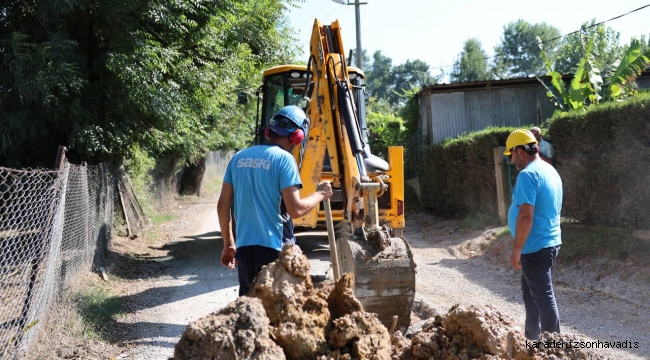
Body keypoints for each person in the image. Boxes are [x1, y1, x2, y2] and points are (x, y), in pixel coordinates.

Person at [217, 105, 333, 296]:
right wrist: (321, 193)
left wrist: (229, 244)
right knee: (279, 312)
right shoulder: (284, 160)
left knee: (249, 307)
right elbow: (295, 209)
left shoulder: (238, 158)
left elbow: (223, 205)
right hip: (275, 249)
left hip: (244, 249)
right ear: (297, 136)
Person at [504, 129, 563, 340]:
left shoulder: (528, 174)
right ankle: (532, 341)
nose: (511, 159)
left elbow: (526, 216)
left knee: (544, 298)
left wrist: (517, 249)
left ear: (520, 151)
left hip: (535, 246)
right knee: (530, 296)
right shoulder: (549, 170)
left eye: (511, 154)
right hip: (548, 242)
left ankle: (552, 349)